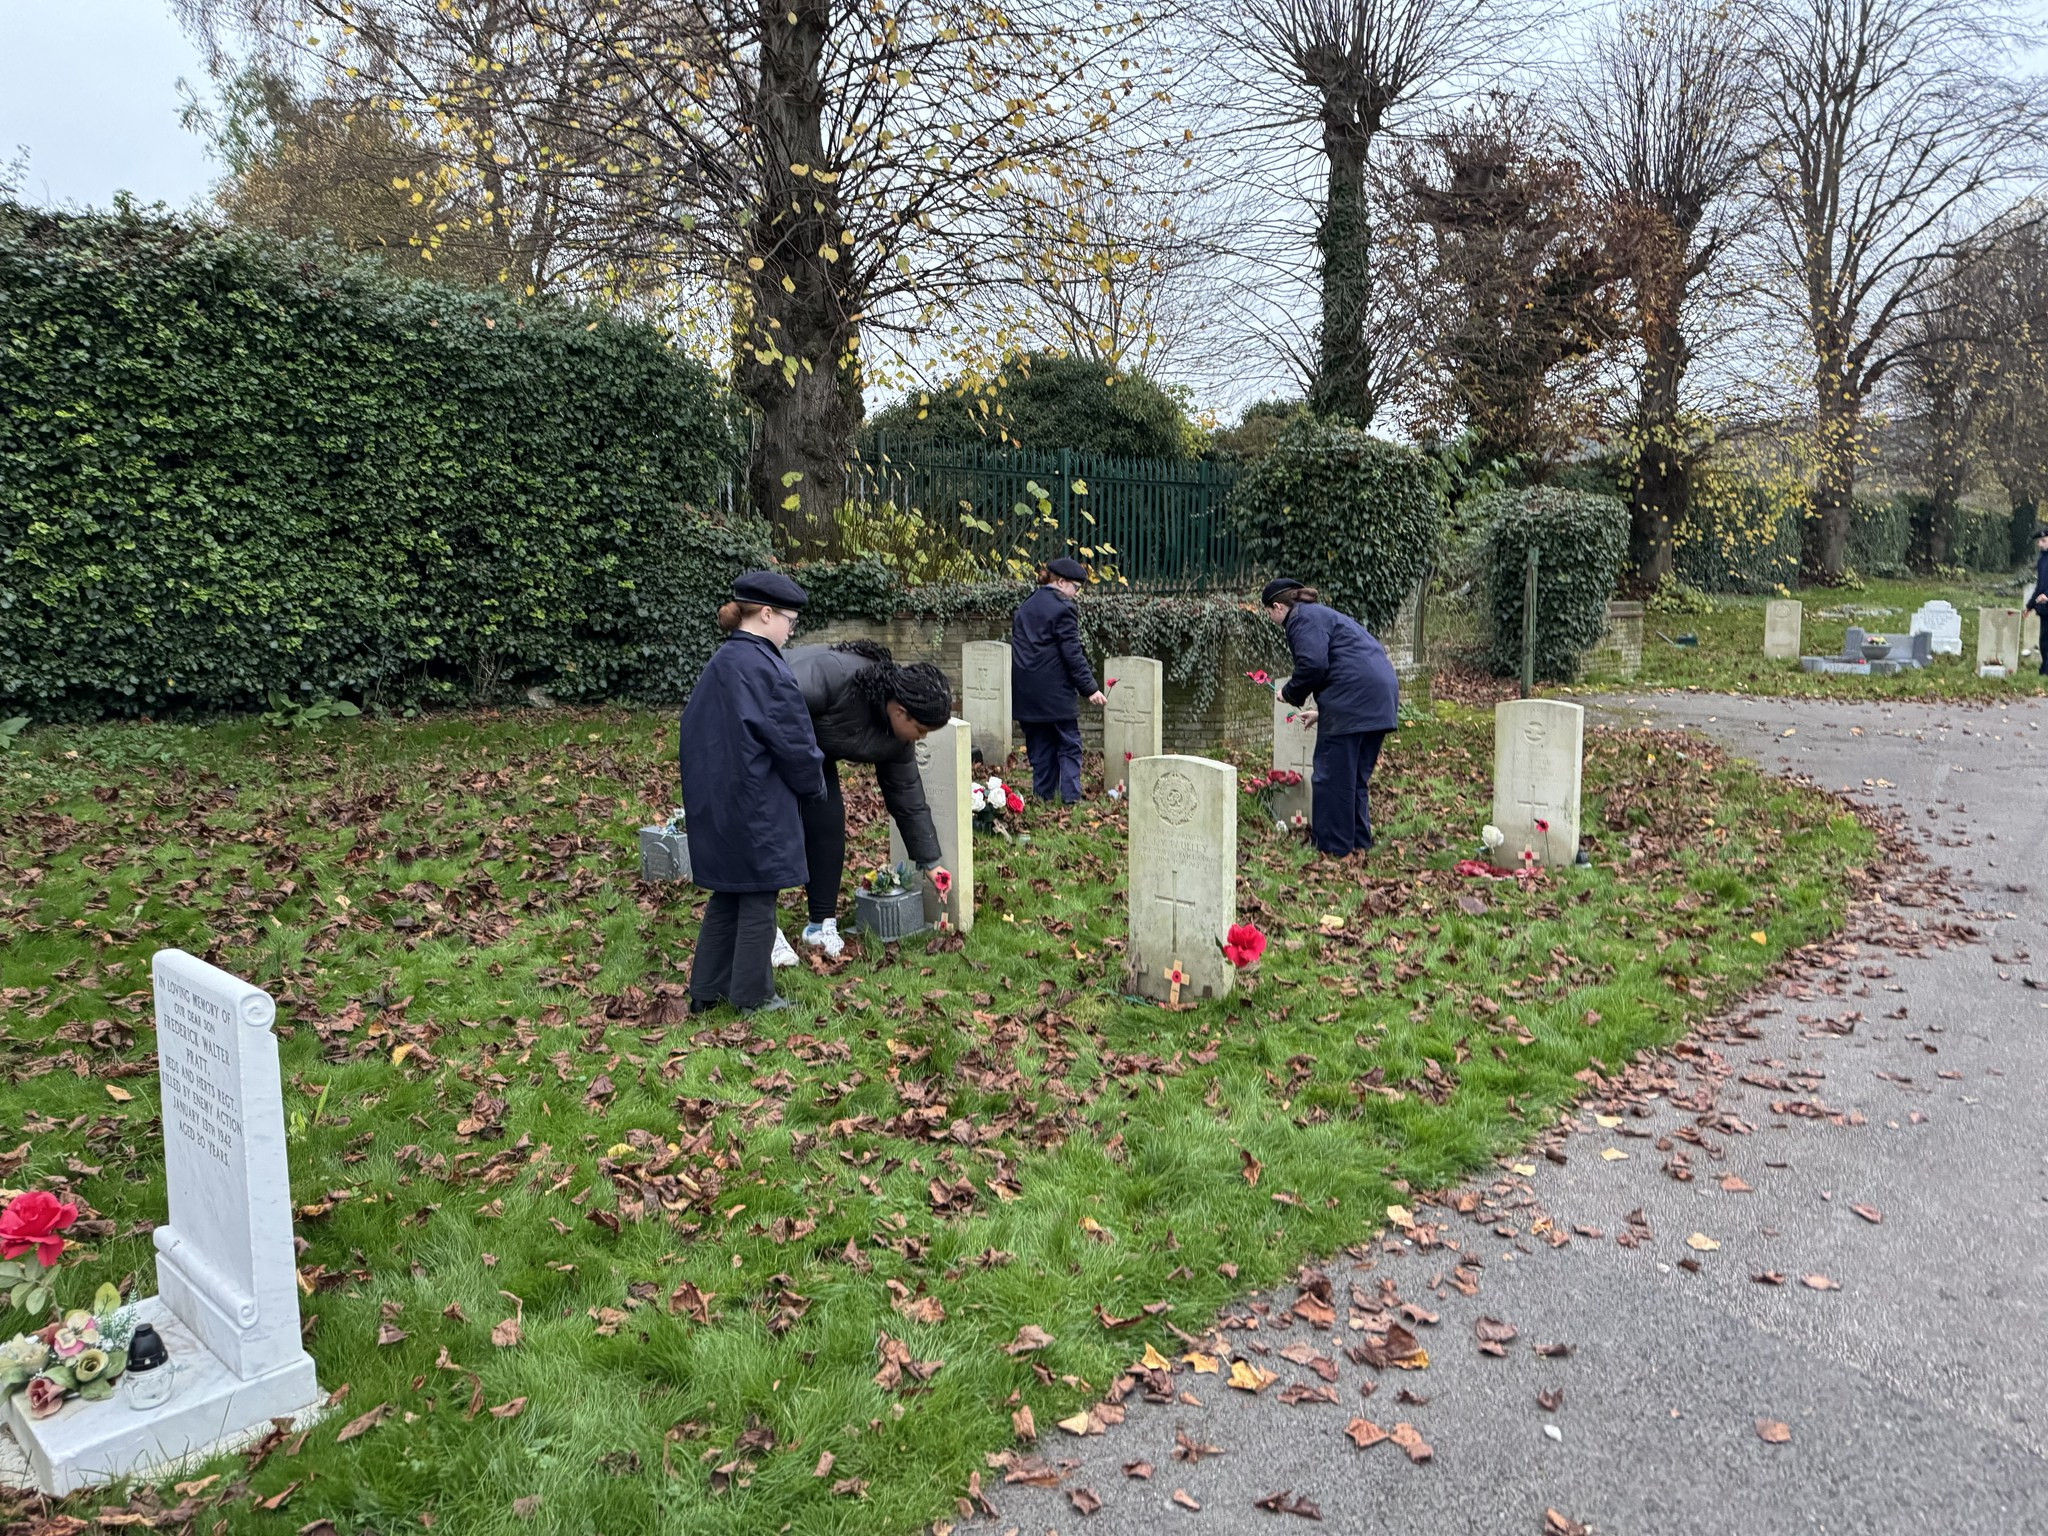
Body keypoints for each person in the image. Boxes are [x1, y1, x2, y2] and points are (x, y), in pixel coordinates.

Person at [677, 571, 825, 1014]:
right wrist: (814, 786)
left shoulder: (723, 661)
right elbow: (794, 743)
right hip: (757, 802)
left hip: (717, 799)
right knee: (760, 895)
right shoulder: (765, 667)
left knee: (730, 892)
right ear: (766, 614)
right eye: (790, 621)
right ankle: (754, 997)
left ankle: (707, 989)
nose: (791, 630)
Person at [782, 640, 953, 959]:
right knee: (774, 828)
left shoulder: (897, 739)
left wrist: (931, 863)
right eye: (921, 729)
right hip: (765, 738)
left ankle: (820, 924)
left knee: (828, 823)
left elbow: (906, 796)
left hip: (814, 751)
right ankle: (760, 927)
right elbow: (769, 701)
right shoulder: (833, 676)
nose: (922, 738)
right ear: (900, 711)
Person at [1262, 576, 1399, 858]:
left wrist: (1289, 693)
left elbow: (1313, 664)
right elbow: (1350, 664)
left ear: (1276, 607)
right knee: (1355, 778)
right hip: (1379, 697)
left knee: (1330, 776)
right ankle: (1359, 842)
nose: (1270, 618)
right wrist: (1325, 711)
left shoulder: (1299, 619)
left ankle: (1333, 849)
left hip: (1354, 700)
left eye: (1268, 613)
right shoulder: (1323, 616)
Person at [1012, 556, 1107, 802]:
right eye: (1075, 588)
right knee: (1069, 744)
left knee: (1041, 747)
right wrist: (1090, 689)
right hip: (1054, 692)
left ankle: (1042, 797)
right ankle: (1070, 799)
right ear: (1061, 582)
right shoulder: (1063, 608)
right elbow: (1071, 653)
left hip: (1026, 691)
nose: (1076, 594)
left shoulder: (1027, 604)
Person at [2030, 527, 2048, 676]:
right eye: (2039, 541)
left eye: (2043, 540)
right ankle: (2045, 669)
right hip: (2044, 608)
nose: (2040, 544)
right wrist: (2029, 606)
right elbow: (2040, 585)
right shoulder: (2042, 560)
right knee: (2044, 640)